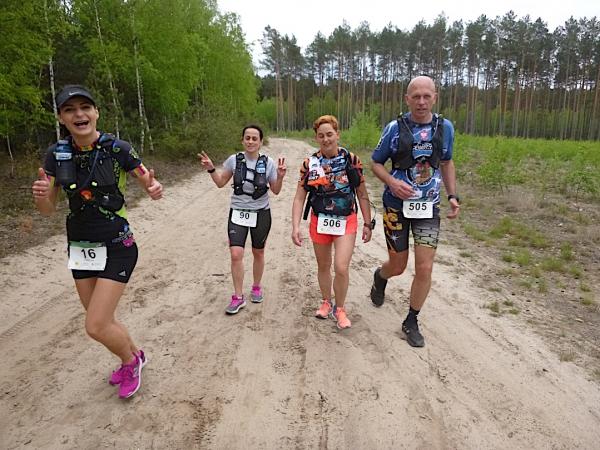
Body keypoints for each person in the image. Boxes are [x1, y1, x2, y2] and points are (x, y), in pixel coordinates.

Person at [32, 85, 163, 398]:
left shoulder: (117, 148)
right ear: (62, 118)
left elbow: (145, 177)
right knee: (102, 319)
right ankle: (136, 355)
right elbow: (48, 210)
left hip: (117, 244)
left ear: (96, 113)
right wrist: (41, 196)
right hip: (80, 248)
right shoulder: (56, 155)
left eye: (85, 107)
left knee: (95, 325)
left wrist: (153, 187)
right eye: (70, 110)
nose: (79, 114)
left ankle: (130, 362)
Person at [370, 75, 460, 347]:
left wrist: (453, 195)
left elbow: (446, 162)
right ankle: (380, 276)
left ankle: (411, 319)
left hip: (428, 207)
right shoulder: (394, 129)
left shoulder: (445, 128)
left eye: (426, 96)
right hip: (396, 206)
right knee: (397, 265)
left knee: (425, 267)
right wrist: (392, 182)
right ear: (407, 98)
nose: (421, 102)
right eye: (416, 96)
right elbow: (375, 163)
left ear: (435, 97)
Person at [291, 115, 373, 329]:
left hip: (346, 219)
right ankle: (326, 301)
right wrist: (295, 226)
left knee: (341, 267)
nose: (326, 139)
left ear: (338, 134)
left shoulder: (351, 160)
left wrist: (367, 223)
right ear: (316, 138)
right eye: (321, 136)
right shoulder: (310, 164)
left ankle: (341, 308)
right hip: (320, 220)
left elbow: (362, 193)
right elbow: (299, 197)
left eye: (330, 134)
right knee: (324, 265)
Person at [198, 125, 286, 314]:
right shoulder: (234, 160)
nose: (251, 141)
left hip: (261, 212)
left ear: (261, 142)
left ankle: (256, 286)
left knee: (258, 252)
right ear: (242, 140)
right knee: (236, 254)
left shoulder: (268, 162)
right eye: (247, 138)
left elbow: (276, 190)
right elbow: (221, 182)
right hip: (238, 211)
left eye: (255, 138)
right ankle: (238, 297)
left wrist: (280, 176)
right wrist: (211, 169)